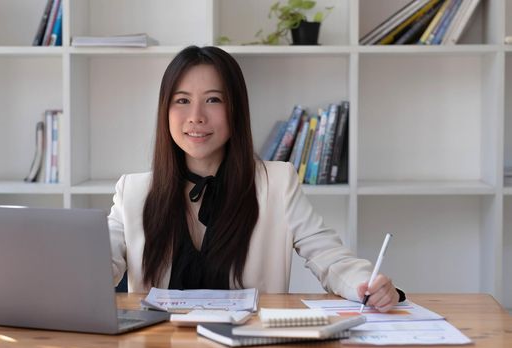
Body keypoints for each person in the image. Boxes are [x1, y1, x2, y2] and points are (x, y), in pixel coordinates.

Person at [108, 45, 403, 312]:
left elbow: (329, 257)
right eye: (182, 100)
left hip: (250, 340)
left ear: (236, 109)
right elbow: (95, 267)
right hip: (158, 343)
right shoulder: (132, 191)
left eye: (212, 100)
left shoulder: (276, 183)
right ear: (165, 111)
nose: (196, 116)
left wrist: (367, 284)